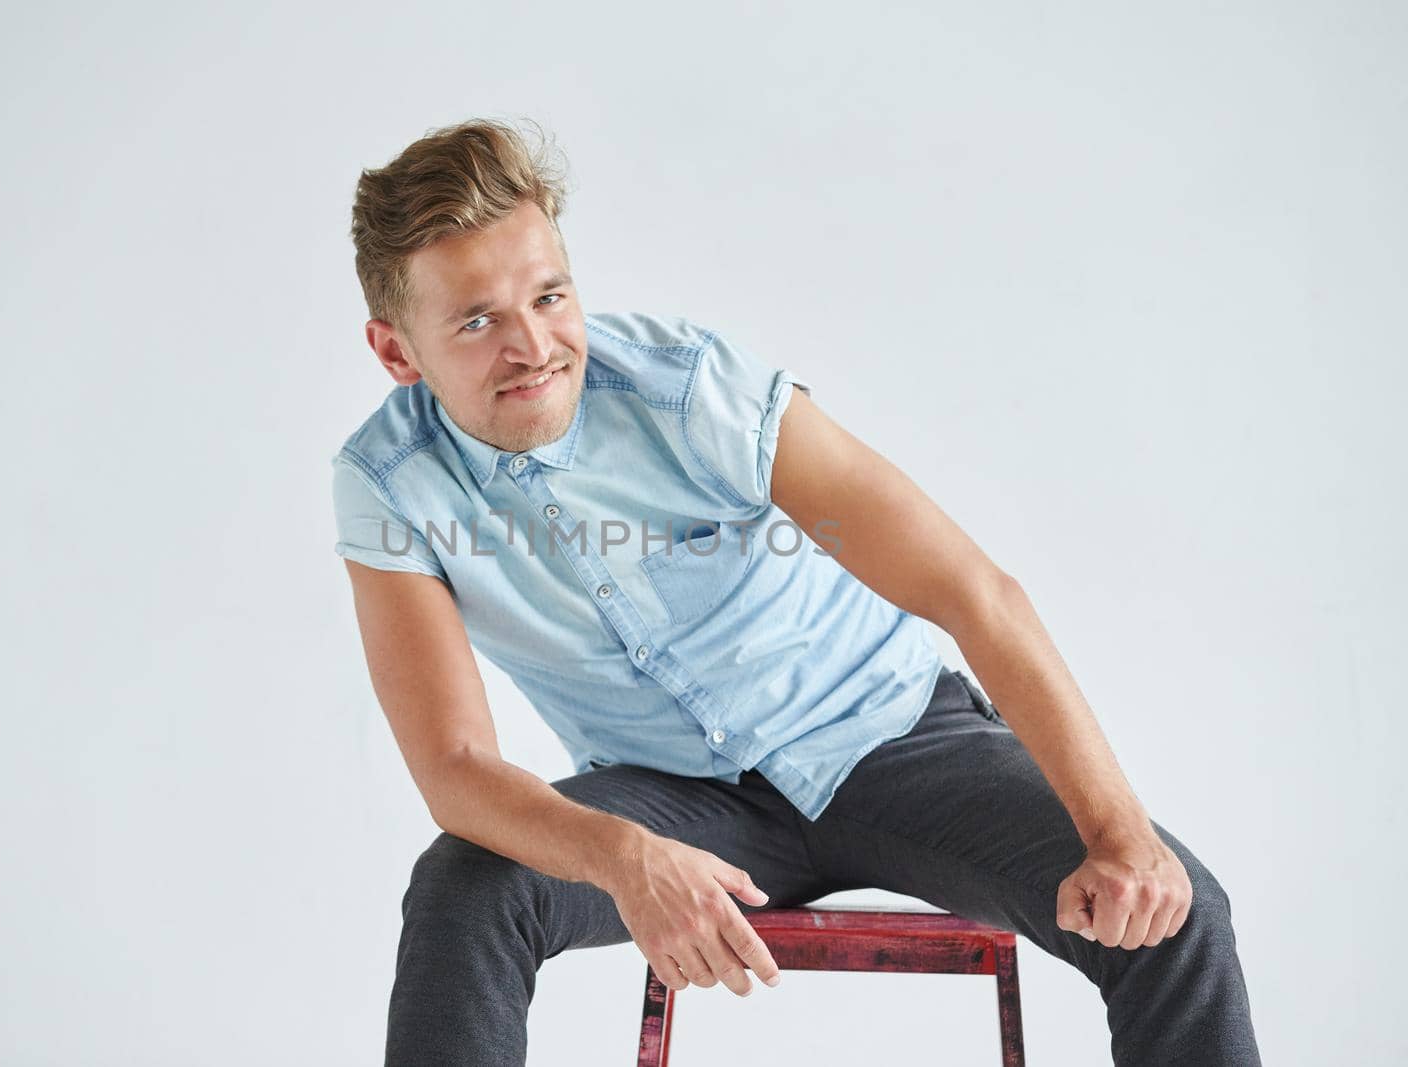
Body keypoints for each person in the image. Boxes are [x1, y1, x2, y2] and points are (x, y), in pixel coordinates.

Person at [331, 117, 1262, 1066]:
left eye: (550, 294)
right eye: (478, 321)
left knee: (1174, 912)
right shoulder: (391, 482)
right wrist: (625, 854)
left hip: (892, 737)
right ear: (397, 351)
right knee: (466, 886)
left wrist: (1118, 832)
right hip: (682, 802)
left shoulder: (690, 388)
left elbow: (972, 590)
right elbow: (454, 765)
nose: (534, 345)